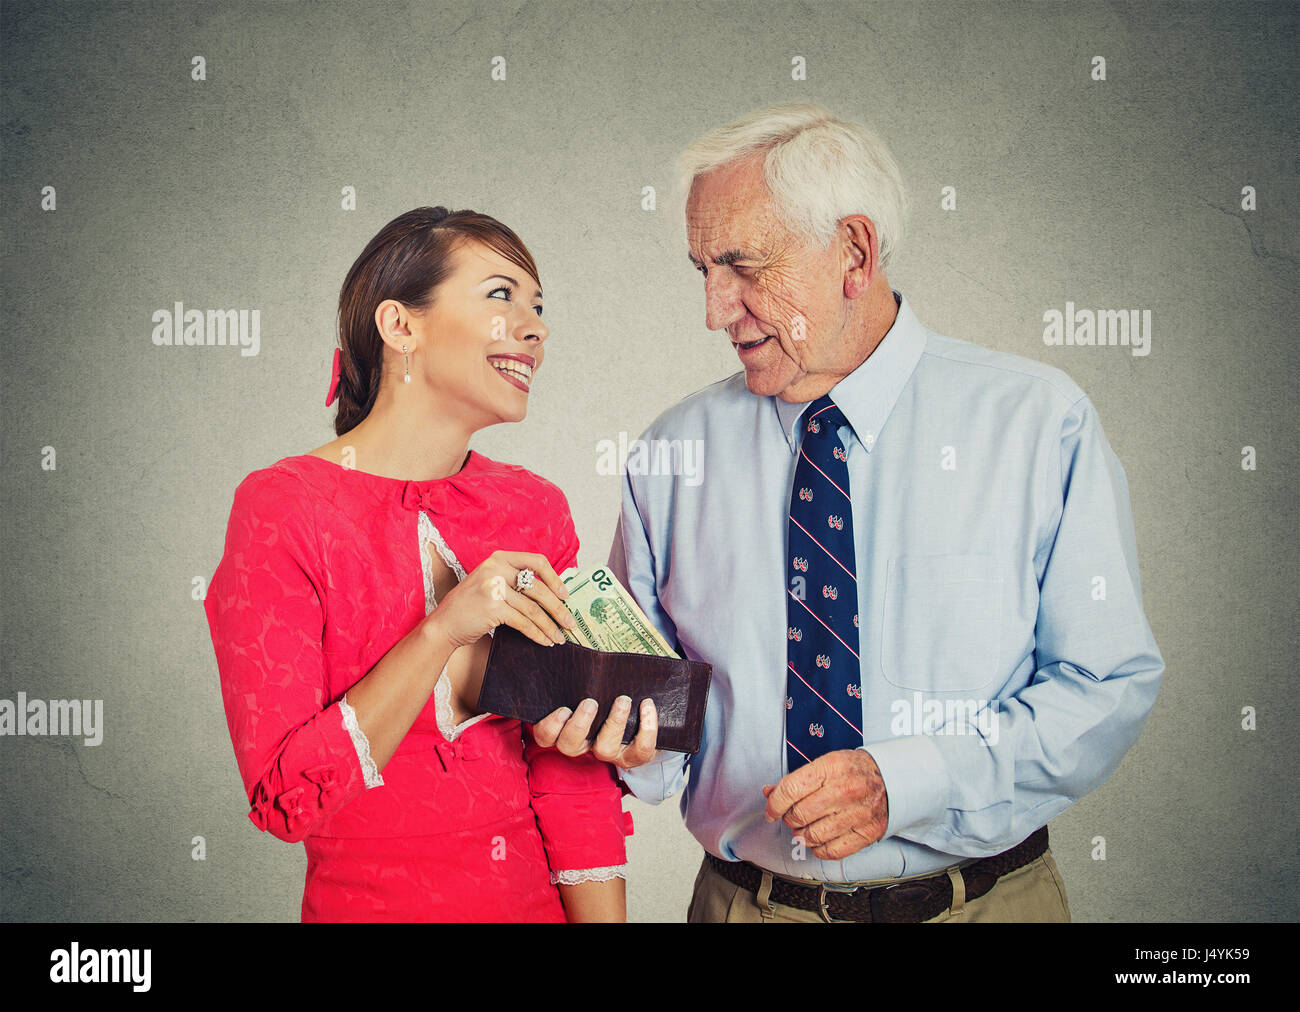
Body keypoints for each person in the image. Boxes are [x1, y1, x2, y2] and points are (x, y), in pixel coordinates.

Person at [608, 104, 1165, 922]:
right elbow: (648, 738)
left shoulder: (1038, 423)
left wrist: (910, 780)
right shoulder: (669, 454)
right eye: (702, 270)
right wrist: (614, 737)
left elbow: (1105, 685)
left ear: (855, 254)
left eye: (744, 266)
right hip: (747, 909)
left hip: (987, 906)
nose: (715, 310)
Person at [203, 206, 658, 922]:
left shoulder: (534, 509)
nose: (536, 328)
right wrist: (442, 629)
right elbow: (286, 798)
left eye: (540, 307)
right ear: (400, 326)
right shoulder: (282, 508)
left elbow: (569, 777)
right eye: (502, 295)